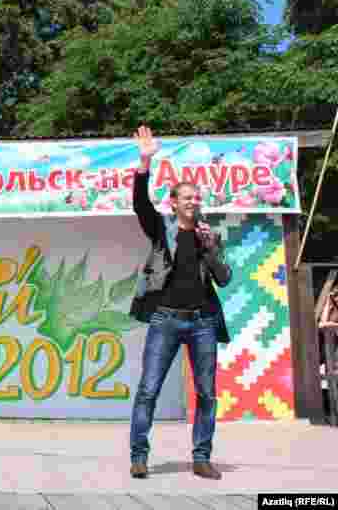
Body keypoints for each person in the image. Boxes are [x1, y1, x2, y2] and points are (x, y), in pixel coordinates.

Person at [128, 125, 232, 481]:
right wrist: (145, 162)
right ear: (174, 202)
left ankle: (201, 458)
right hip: (166, 320)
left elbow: (224, 278)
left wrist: (210, 248)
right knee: (149, 390)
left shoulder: (208, 235)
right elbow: (140, 205)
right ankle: (139, 457)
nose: (193, 201)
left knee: (207, 393)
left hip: (203, 322)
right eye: (186, 197)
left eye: (196, 197)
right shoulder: (162, 230)